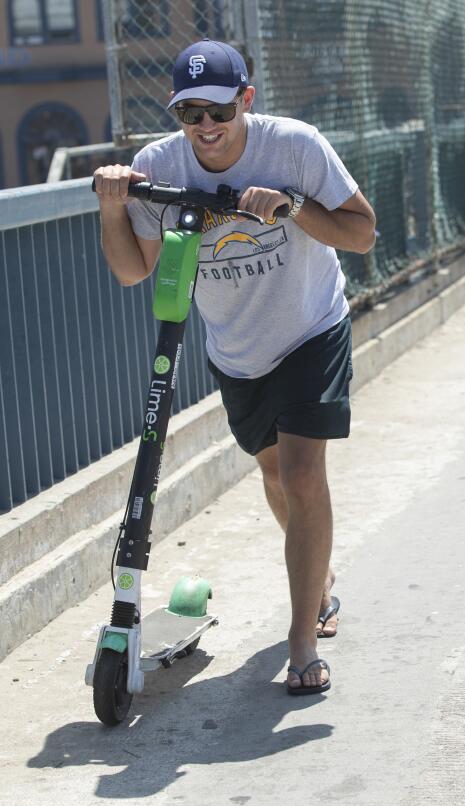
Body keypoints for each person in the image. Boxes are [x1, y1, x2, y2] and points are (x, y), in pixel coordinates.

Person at [91, 39, 376, 696]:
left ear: (246, 100)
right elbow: (133, 270)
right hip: (238, 351)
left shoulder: (294, 147)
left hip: (310, 325)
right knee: (276, 474)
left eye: (218, 109)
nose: (206, 126)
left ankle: (303, 636)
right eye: (191, 113)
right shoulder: (156, 164)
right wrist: (113, 209)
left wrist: (295, 207)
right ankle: (319, 573)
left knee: (304, 475)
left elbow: (363, 233)